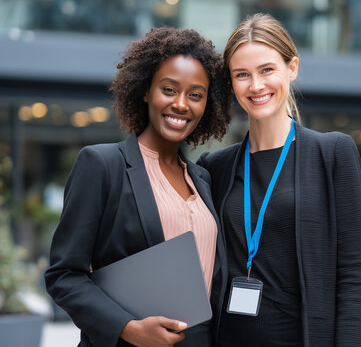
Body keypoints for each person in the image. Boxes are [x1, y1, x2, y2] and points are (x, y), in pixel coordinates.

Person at [45, 27, 232, 347]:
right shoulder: (103, 165)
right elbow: (64, 275)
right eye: (169, 89)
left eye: (196, 94)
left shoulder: (202, 179)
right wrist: (127, 327)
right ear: (146, 91)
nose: (182, 104)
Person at [197, 13, 361, 347]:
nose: (256, 85)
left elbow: (354, 276)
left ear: (291, 68)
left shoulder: (333, 154)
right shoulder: (215, 167)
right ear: (232, 84)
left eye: (267, 70)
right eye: (242, 75)